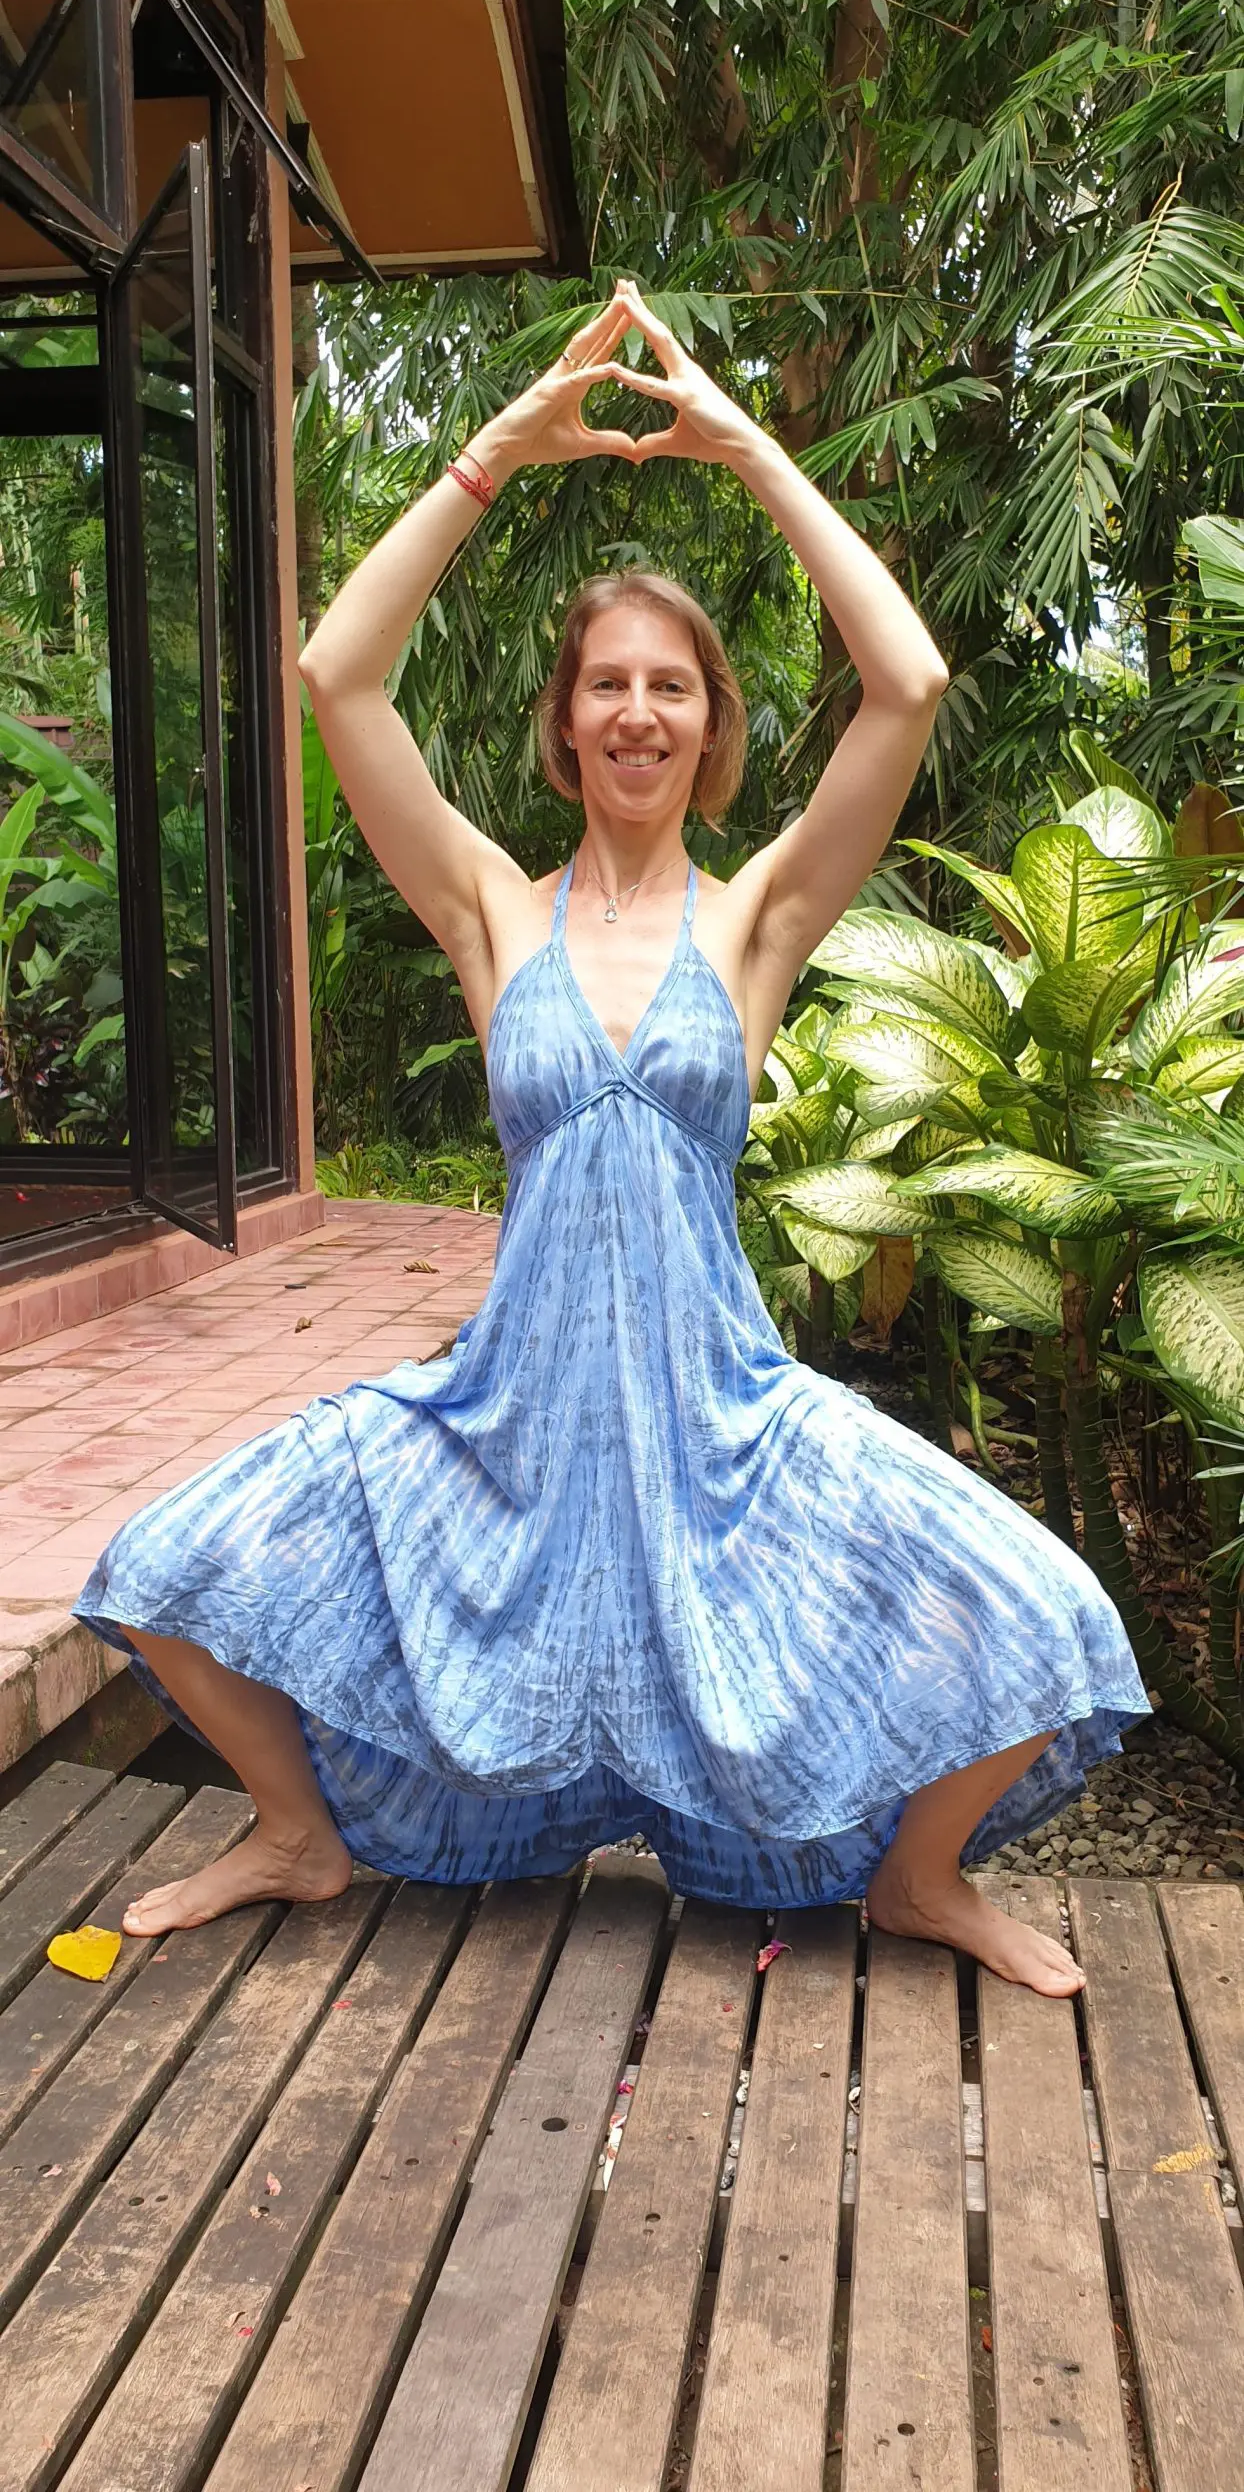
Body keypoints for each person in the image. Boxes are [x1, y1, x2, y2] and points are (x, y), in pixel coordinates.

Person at [74, 280, 1150, 1998]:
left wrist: (743, 452)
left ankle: (918, 1880)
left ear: (710, 725)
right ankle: (296, 1833)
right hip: (508, 1413)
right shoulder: (494, 914)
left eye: (673, 686)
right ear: (568, 724)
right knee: (164, 1575)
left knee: (1051, 1621)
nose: (640, 711)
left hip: (725, 1417)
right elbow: (334, 672)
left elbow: (911, 678)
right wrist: (504, 447)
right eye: (608, 686)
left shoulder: (760, 926)